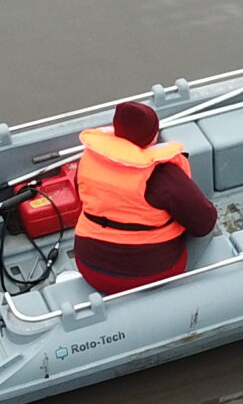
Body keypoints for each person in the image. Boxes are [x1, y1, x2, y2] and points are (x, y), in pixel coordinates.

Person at [72, 100, 218, 295]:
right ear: (153, 136)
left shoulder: (88, 160)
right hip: (148, 276)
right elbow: (204, 223)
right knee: (208, 219)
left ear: (117, 129)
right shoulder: (163, 175)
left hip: (89, 268)